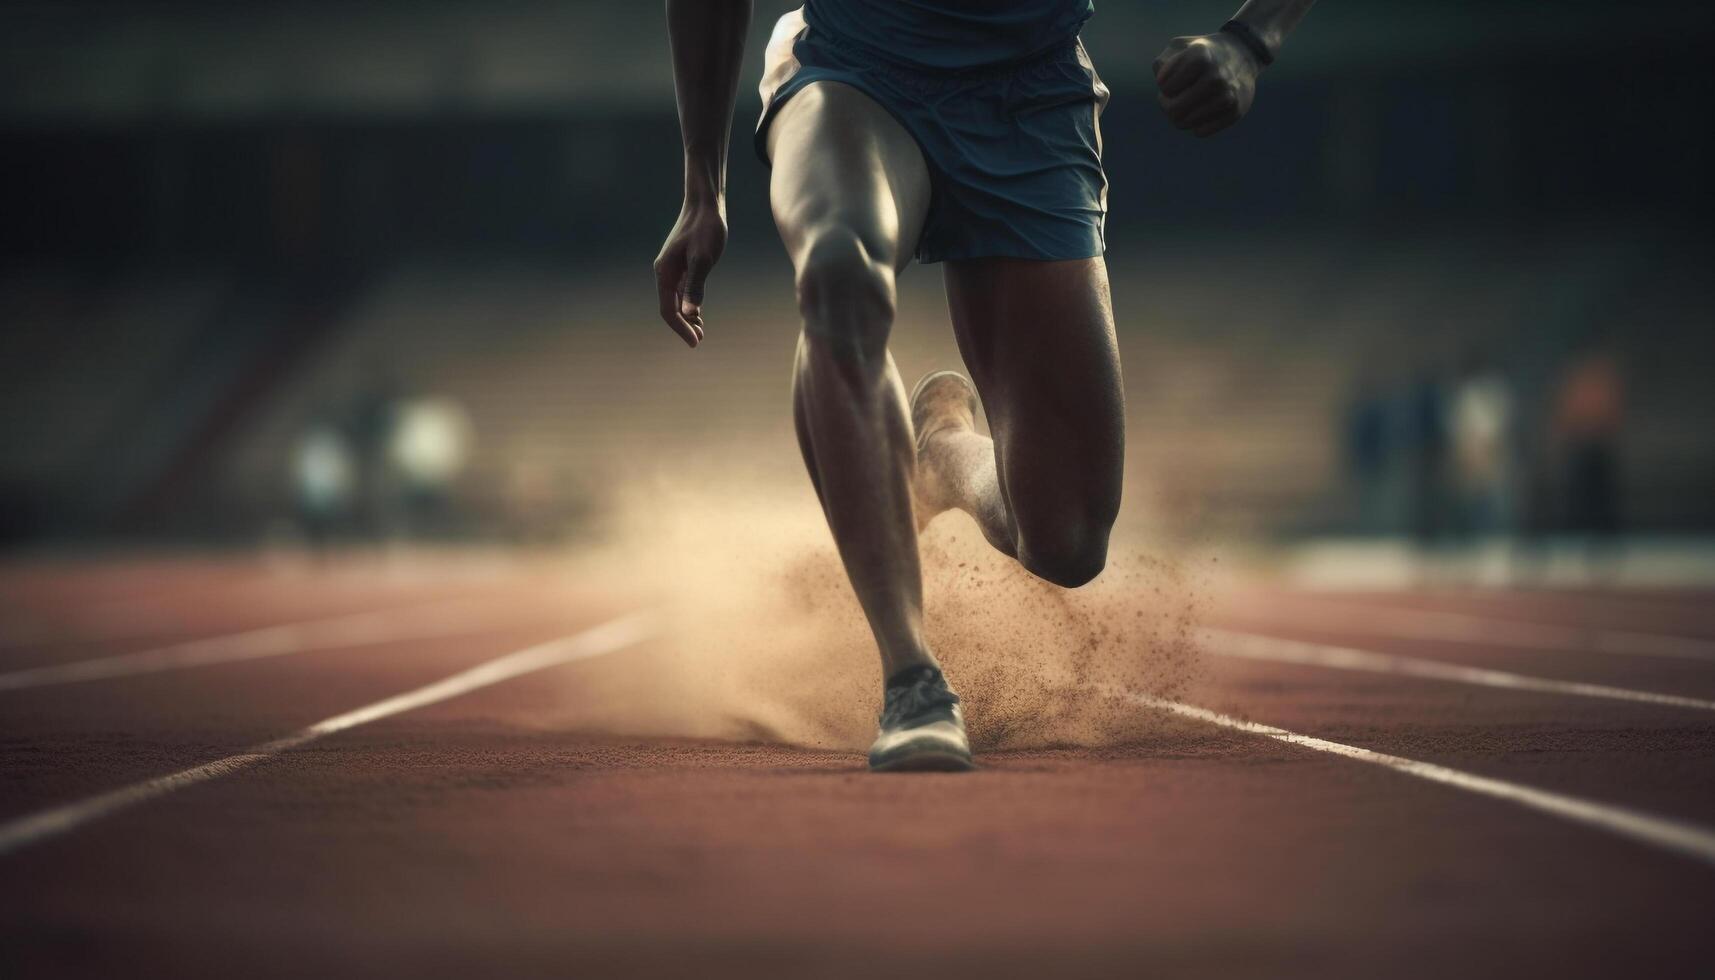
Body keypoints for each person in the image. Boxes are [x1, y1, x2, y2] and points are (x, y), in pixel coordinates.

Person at [653, 0, 1315, 771]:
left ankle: (939, 454)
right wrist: (704, 186)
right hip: (855, 65)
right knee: (838, 270)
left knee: (1064, 539)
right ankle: (912, 681)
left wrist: (1249, 40)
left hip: (1028, 93)